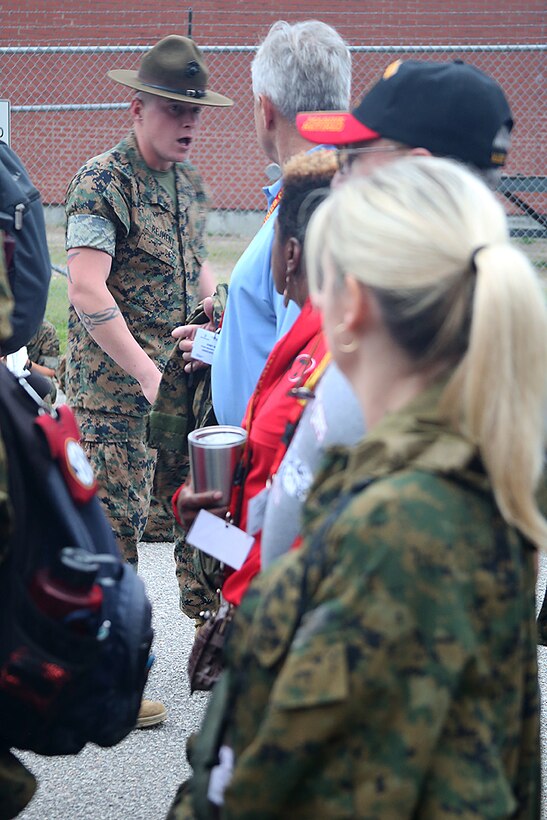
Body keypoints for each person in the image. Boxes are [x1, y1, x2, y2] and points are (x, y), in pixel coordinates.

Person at [169, 156, 546, 819]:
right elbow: (270, 534)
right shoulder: (440, 466)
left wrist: (254, 636)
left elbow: (270, 781)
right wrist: (198, 526)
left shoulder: (393, 523)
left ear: (352, 307)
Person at [258, 57, 515, 568]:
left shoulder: (418, 357)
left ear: (411, 170)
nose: (335, 182)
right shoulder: (415, 324)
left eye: (351, 158)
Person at [64, 34, 232, 728]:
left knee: (206, 508)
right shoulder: (104, 180)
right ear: (137, 108)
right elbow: (83, 286)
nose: (187, 121)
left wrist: (213, 311)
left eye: (195, 109)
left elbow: (198, 267)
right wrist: (141, 371)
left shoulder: (186, 184)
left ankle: (221, 632)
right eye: (172, 108)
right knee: (115, 531)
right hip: (114, 399)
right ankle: (107, 681)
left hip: (179, 389)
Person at [164, 19, 351, 621]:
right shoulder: (309, 198)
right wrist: (224, 347)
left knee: (255, 616)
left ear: (264, 109)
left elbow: (311, 371)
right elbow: (288, 339)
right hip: (265, 489)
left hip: (277, 485)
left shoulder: (312, 217)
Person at [173, 150, 339, 608]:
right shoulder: (308, 348)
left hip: (282, 634)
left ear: (288, 253)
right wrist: (203, 528)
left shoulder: (311, 376)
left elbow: (277, 562)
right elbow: (269, 544)